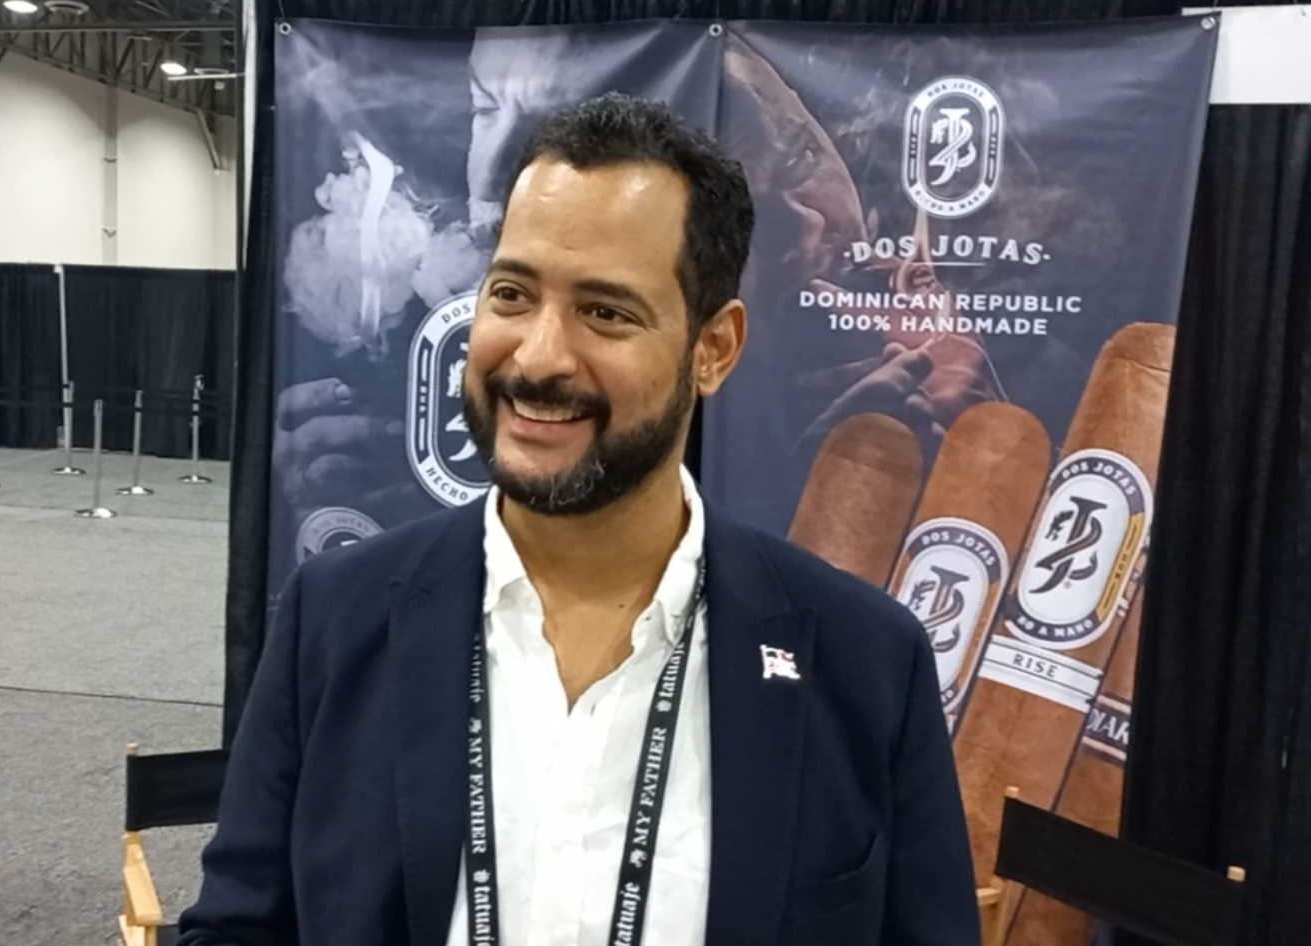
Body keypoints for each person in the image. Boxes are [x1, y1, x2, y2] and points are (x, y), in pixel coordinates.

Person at [178, 93, 979, 946]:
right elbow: (236, 930)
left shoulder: (863, 664)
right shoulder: (336, 620)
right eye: (512, 293)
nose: (538, 357)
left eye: (606, 312)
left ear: (713, 349)